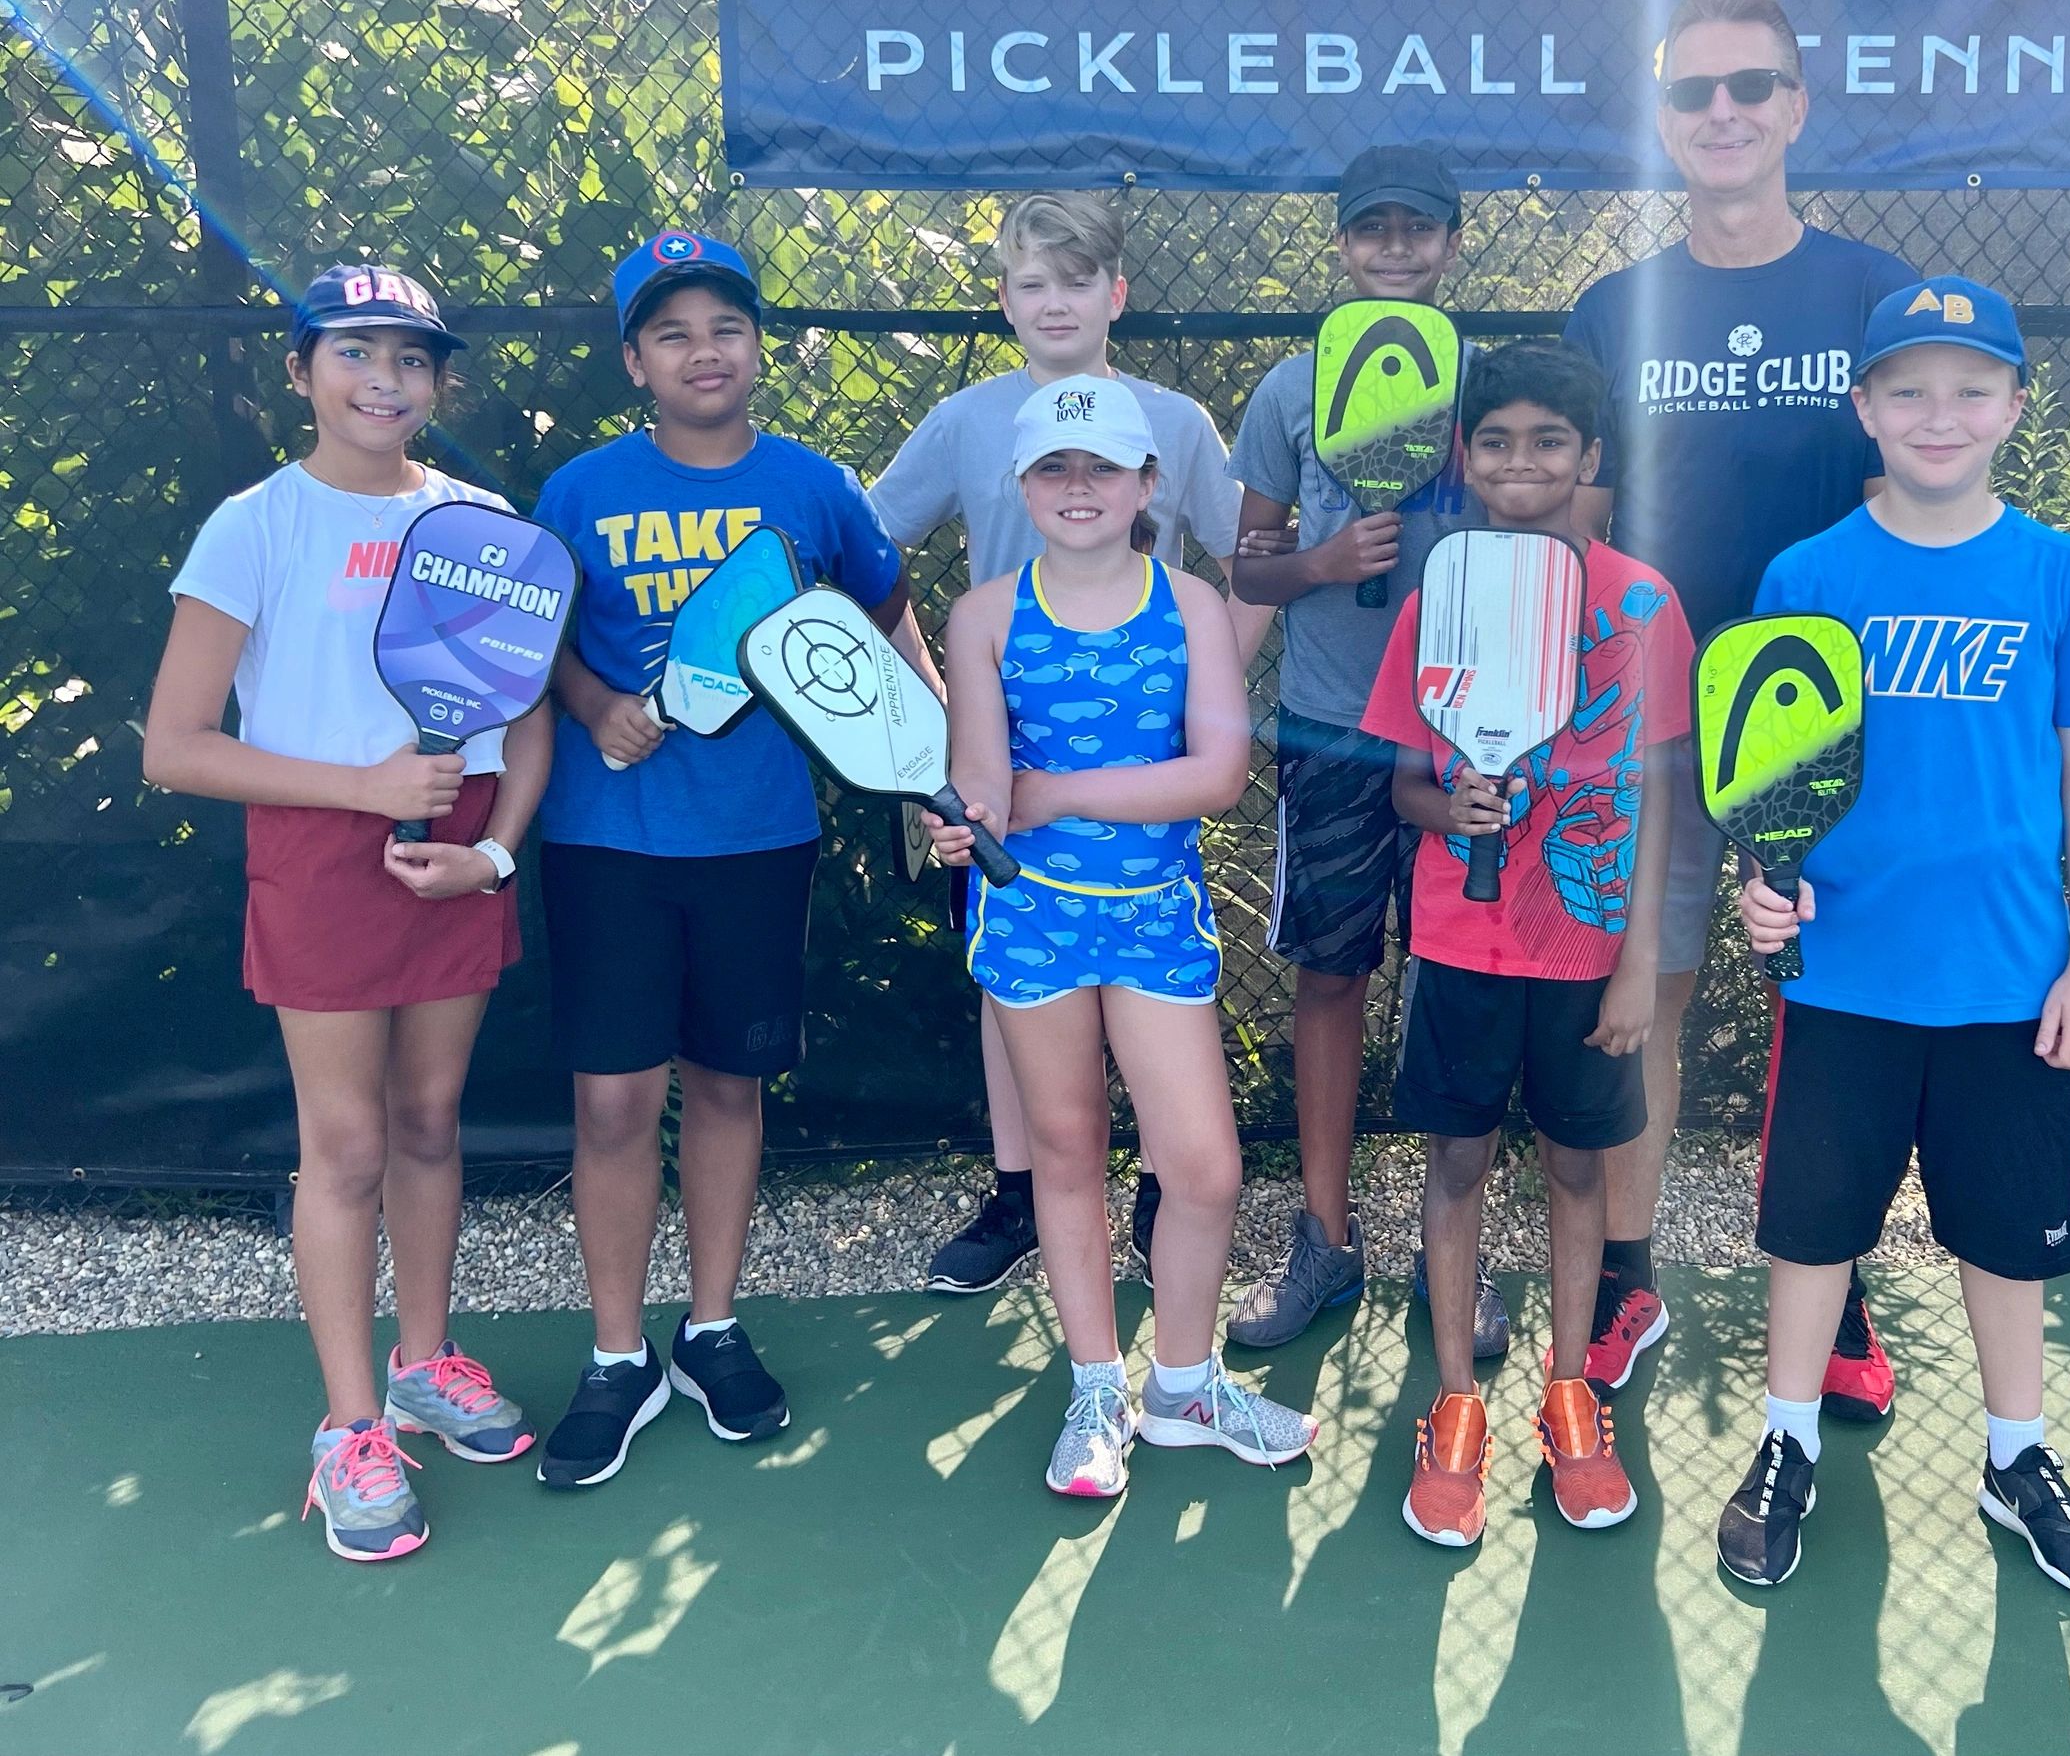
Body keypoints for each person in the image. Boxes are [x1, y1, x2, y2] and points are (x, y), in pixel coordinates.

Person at [1717, 278, 2070, 1599]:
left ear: (2014, 405)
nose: (1938, 415)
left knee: (2007, 1237)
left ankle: (2017, 1458)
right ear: (1864, 408)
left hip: (2010, 979)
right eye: (1907, 389)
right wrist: (1762, 886)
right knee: (1813, 1227)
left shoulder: (2062, 572)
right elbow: (1772, 776)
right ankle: (1787, 1439)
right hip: (1845, 977)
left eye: (1969, 389)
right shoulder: (1807, 575)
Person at [143, 266, 548, 1563]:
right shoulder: (251, 527)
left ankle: (425, 1363)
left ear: (440, 384)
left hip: (454, 843)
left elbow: (528, 719)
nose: (386, 379)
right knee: (349, 1147)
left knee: (430, 1121)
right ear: (301, 370)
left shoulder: (483, 521)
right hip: (318, 850)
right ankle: (351, 1425)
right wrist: (364, 789)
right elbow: (175, 746)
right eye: (356, 352)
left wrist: (491, 853)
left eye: (412, 358)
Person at [1561, 0, 1917, 1413]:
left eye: (1750, 86)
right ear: (1663, 119)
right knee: (1645, 997)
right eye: (1694, 91)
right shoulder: (1612, 310)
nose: (1723, 113)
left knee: (1831, 1007)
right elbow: (1580, 526)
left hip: (1826, 730)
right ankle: (1629, 1277)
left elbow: (1912, 508)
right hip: (1654, 724)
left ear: (1795, 107)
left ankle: (1837, 1290)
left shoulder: (1872, 292)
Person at [527, 230, 924, 1489]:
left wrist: (928, 758)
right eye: (674, 333)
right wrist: (595, 705)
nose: (704, 351)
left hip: (759, 835)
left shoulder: (814, 488)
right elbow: (531, 641)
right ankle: (616, 1356)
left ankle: (709, 1329)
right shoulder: (579, 491)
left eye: (726, 328)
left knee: (729, 1085)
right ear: (634, 360)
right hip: (606, 840)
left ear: (758, 347)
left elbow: (885, 617)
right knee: (612, 1101)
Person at [919, 376, 1317, 1498]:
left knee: (1203, 1167)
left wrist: (1050, 792)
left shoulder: (1191, 605)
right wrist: (969, 819)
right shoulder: (982, 616)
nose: (1078, 485)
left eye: (1102, 466)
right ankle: (1098, 1388)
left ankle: (1182, 1388)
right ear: (1022, 486)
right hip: (1030, 919)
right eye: (1054, 466)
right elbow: (985, 780)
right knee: (1065, 1151)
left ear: (1148, 483)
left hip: (1154, 919)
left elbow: (1217, 774)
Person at [873, 191, 1262, 1297]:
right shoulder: (966, 421)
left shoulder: (1174, 421)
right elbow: (867, 550)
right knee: (1018, 984)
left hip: (1136, 780)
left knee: (1155, 993)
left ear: (1116, 294)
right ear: (1003, 299)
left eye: (1076, 280)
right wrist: (943, 708)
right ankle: (1022, 1196)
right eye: (1031, 282)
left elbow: (1251, 561)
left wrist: (1206, 691)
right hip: (1004, 775)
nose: (1054, 302)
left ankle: (1160, 1194)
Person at [1362, 340, 1695, 1547]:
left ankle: (1570, 1397)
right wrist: (1445, 809)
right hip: (1460, 945)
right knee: (1455, 1165)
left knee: (1576, 1170)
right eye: (1495, 440)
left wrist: (1636, 959)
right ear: (1464, 455)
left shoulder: (1643, 605)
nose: (1521, 462)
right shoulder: (1435, 598)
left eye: (1549, 440)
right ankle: (1455, 1404)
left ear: (1589, 455)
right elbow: (1403, 783)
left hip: (1587, 956)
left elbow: (1658, 796)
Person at [1224, 144, 1501, 1354]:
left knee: (1461, 985)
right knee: (1331, 977)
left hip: (1468, 733)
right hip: (1331, 729)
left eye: (1418, 228)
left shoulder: (1489, 386)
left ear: (1451, 245)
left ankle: (1457, 1250)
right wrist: (1323, 563)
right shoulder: (1289, 390)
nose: (1396, 248)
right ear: (1341, 244)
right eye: (1373, 228)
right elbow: (1250, 568)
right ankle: (1325, 1239)